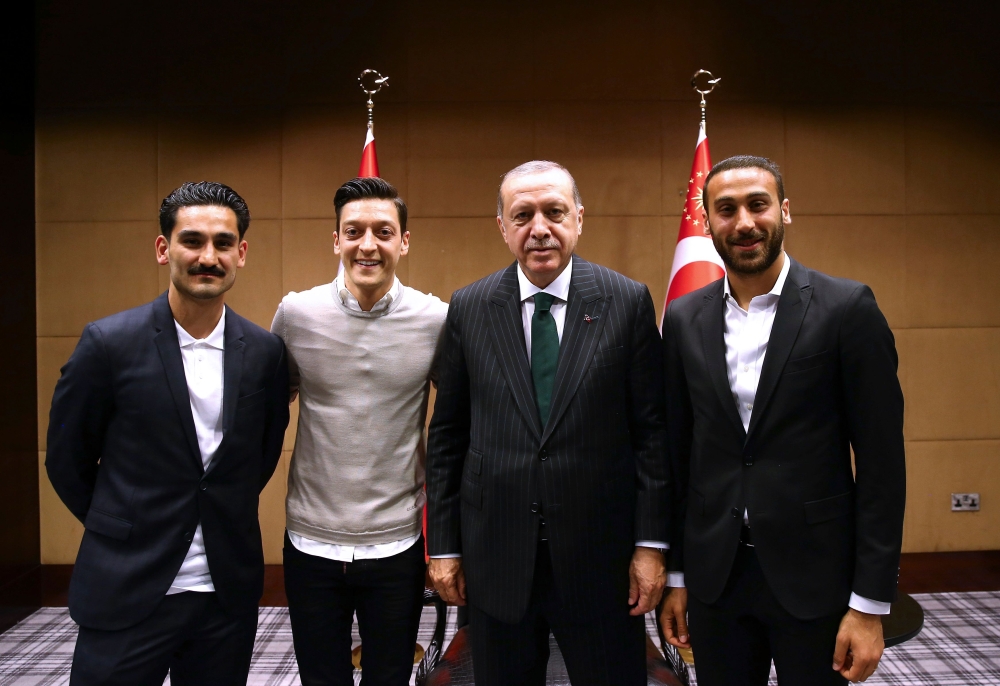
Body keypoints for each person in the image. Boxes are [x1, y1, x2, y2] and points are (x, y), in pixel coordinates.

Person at [659, 155, 906, 685]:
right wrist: (677, 575)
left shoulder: (847, 309)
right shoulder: (683, 319)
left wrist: (869, 605)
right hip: (716, 579)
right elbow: (678, 458)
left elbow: (883, 467)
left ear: (784, 211)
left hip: (815, 577)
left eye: (758, 204)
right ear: (708, 222)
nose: (744, 222)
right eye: (726, 209)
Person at [426, 161, 670, 686]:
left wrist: (651, 546)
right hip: (496, 558)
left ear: (578, 219)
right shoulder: (469, 308)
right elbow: (447, 437)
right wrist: (444, 547)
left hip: (601, 561)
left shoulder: (625, 302)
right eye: (523, 215)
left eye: (554, 212)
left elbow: (652, 435)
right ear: (502, 226)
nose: (539, 228)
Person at [46, 181, 290, 686]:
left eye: (223, 243)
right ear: (164, 249)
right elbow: (66, 460)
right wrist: (121, 522)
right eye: (192, 241)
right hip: (127, 585)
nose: (208, 256)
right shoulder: (107, 344)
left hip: (224, 595)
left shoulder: (266, 353)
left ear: (241, 253)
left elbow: (258, 457)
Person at [271, 177, 448, 686]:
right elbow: (261, 414)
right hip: (309, 545)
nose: (367, 244)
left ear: (403, 242)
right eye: (354, 231)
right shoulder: (296, 314)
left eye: (383, 231)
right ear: (336, 240)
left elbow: (458, 425)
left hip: (397, 545)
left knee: (389, 678)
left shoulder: (436, 320)